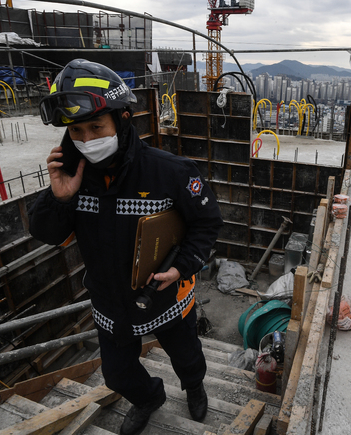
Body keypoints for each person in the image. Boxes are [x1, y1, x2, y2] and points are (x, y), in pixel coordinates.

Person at [29, 59, 224, 435]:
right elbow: (47, 233)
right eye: (77, 131)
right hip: (109, 301)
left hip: (166, 294)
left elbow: (207, 223)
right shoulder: (73, 179)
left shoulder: (171, 171)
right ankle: (149, 397)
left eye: (96, 127)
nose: (87, 140)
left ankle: (194, 386)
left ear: (122, 118)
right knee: (117, 374)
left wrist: (182, 267)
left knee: (187, 356)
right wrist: (60, 197)